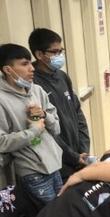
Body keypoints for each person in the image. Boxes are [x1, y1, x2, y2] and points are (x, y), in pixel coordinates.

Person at [0, 43, 63, 205]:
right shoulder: (2, 100)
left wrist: (44, 115)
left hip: (54, 164)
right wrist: (33, 131)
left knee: (62, 215)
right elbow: (2, 143)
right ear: (8, 69)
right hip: (31, 171)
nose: (32, 68)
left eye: (30, 62)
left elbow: (56, 128)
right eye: (24, 64)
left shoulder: (37, 91)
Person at [28, 28, 91, 180]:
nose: (60, 56)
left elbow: (77, 113)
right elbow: (44, 129)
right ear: (39, 55)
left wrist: (83, 148)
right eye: (55, 52)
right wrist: (72, 156)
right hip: (58, 163)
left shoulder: (62, 77)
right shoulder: (33, 85)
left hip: (79, 156)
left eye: (61, 51)